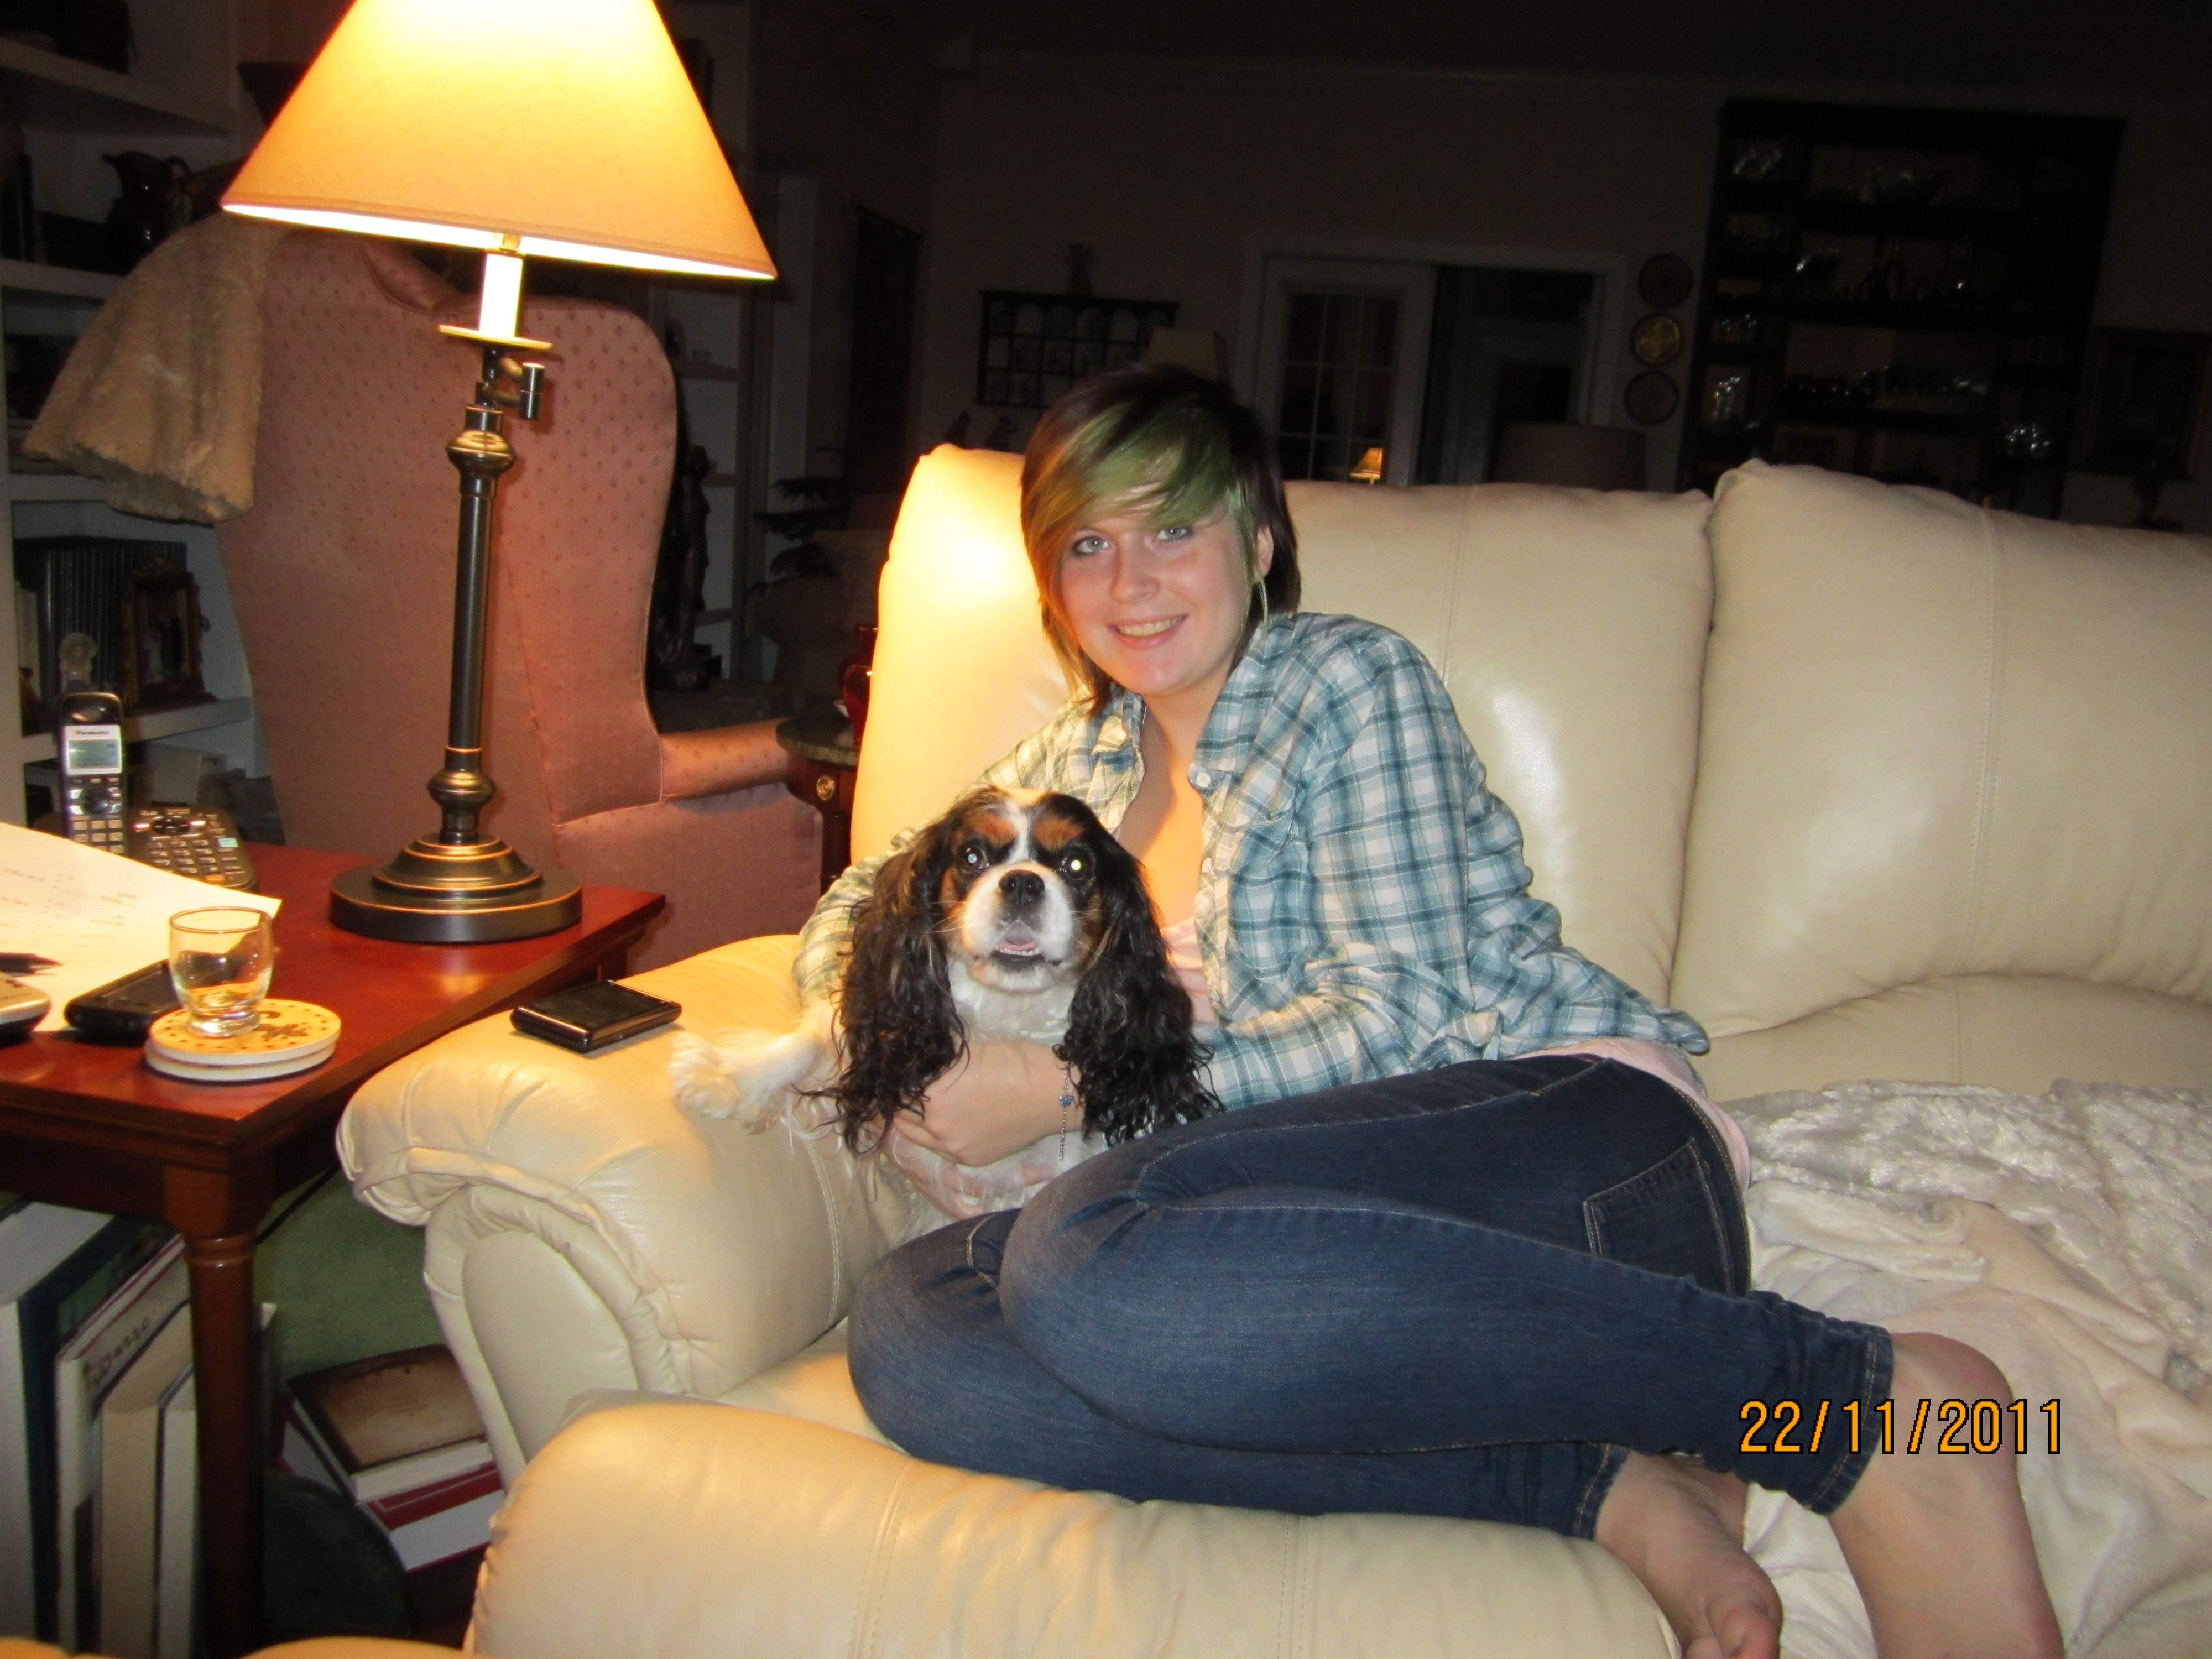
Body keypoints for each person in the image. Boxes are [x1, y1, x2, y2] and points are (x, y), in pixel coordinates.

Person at [795, 367, 2059, 1659]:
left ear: (1259, 541)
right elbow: (853, 911)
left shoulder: (1343, 683)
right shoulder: (1068, 769)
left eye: (1172, 527)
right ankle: (1592, 1482)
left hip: (1573, 1159)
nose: (1130, 582)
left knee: (1074, 1253)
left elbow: (1395, 1021)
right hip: (1293, 1262)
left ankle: (1863, 1408)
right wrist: (903, 1053)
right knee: (916, 1329)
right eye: (1087, 545)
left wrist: (1065, 1088)